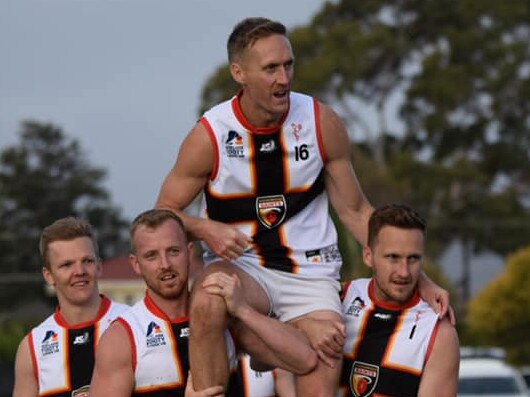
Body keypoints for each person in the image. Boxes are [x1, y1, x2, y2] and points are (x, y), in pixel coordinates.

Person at [156, 17, 451, 396]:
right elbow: (163, 213)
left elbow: (357, 212)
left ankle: (273, 343)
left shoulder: (320, 121)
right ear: (239, 72)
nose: (284, 78)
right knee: (210, 297)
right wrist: (204, 227)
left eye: (288, 65)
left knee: (325, 348)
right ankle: (263, 351)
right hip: (246, 268)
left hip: (310, 273)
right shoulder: (210, 135)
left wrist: (422, 281)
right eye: (270, 69)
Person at [89, 209, 316, 397]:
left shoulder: (224, 312)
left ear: (189, 253)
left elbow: (304, 360)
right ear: (136, 264)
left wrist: (244, 311)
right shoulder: (123, 336)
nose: (165, 264)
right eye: (151, 256)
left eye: (173, 251)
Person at [337, 204, 459, 396]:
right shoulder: (339, 298)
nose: (404, 272)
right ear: (368, 256)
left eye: (413, 259)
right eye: (393, 257)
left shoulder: (437, 332)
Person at [12, 217, 130, 397]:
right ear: (49, 275)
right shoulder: (32, 348)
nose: (79, 271)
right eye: (67, 265)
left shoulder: (133, 324)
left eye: (87, 261)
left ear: (99, 266)